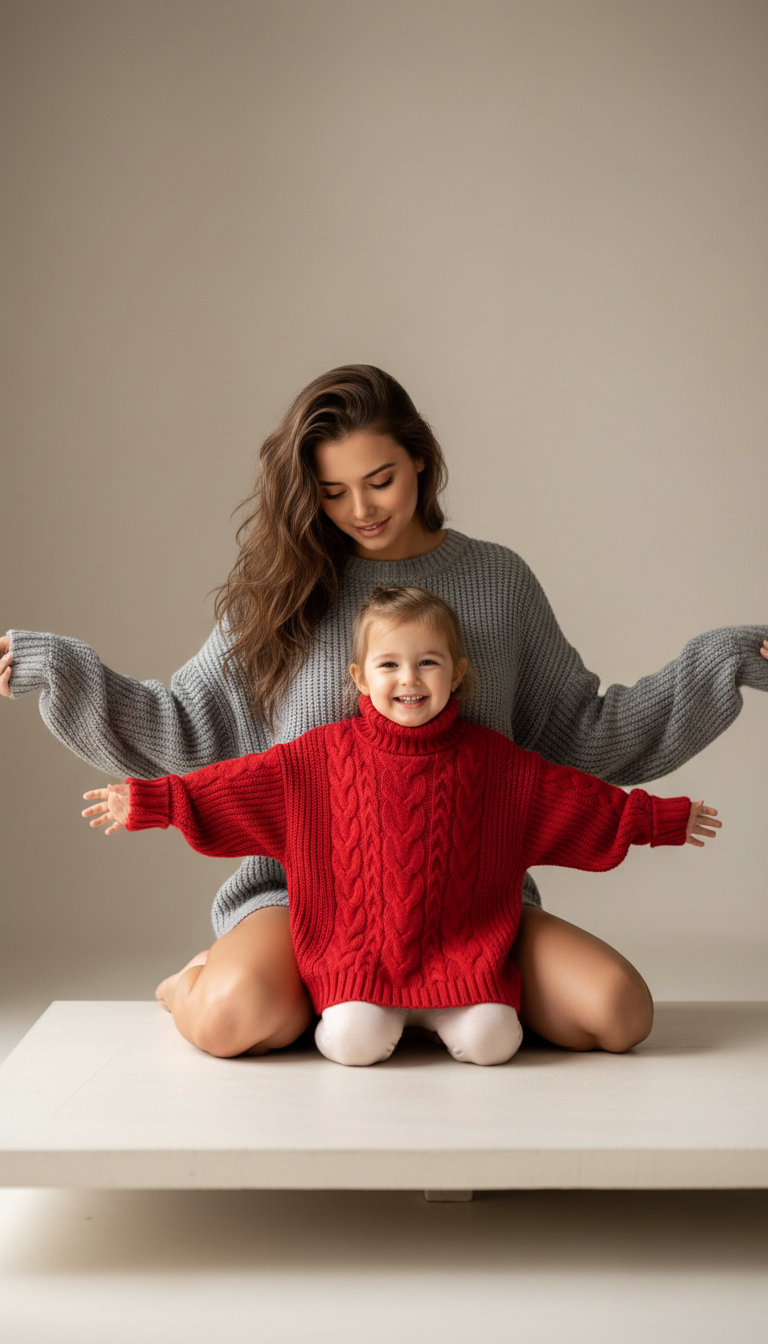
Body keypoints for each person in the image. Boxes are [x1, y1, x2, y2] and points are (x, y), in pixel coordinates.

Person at [2, 365, 766, 1058]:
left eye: (380, 480)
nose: (360, 509)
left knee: (619, 1013)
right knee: (232, 1017)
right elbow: (185, 724)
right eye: (332, 492)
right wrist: (62, 670)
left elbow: (580, 733)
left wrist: (722, 663)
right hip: (305, 896)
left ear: (421, 460)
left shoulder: (500, 581)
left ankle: (441, 1000)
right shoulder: (286, 590)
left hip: (467, 899)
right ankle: (196, 982)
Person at [80, 586, 721, 1067]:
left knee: (509, 1039)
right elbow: (229, 788)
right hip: (355, 954)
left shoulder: (497, 762)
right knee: (351, 1042)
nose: (409, 679)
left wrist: (660, 818)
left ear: (457, 673)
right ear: (359, 678)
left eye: (428, 663)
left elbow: (580, 804)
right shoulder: (318, 758)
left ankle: (464, 1009)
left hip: (465, 950)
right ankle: (185, 983)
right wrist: (152, 802)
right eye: (389, 665)